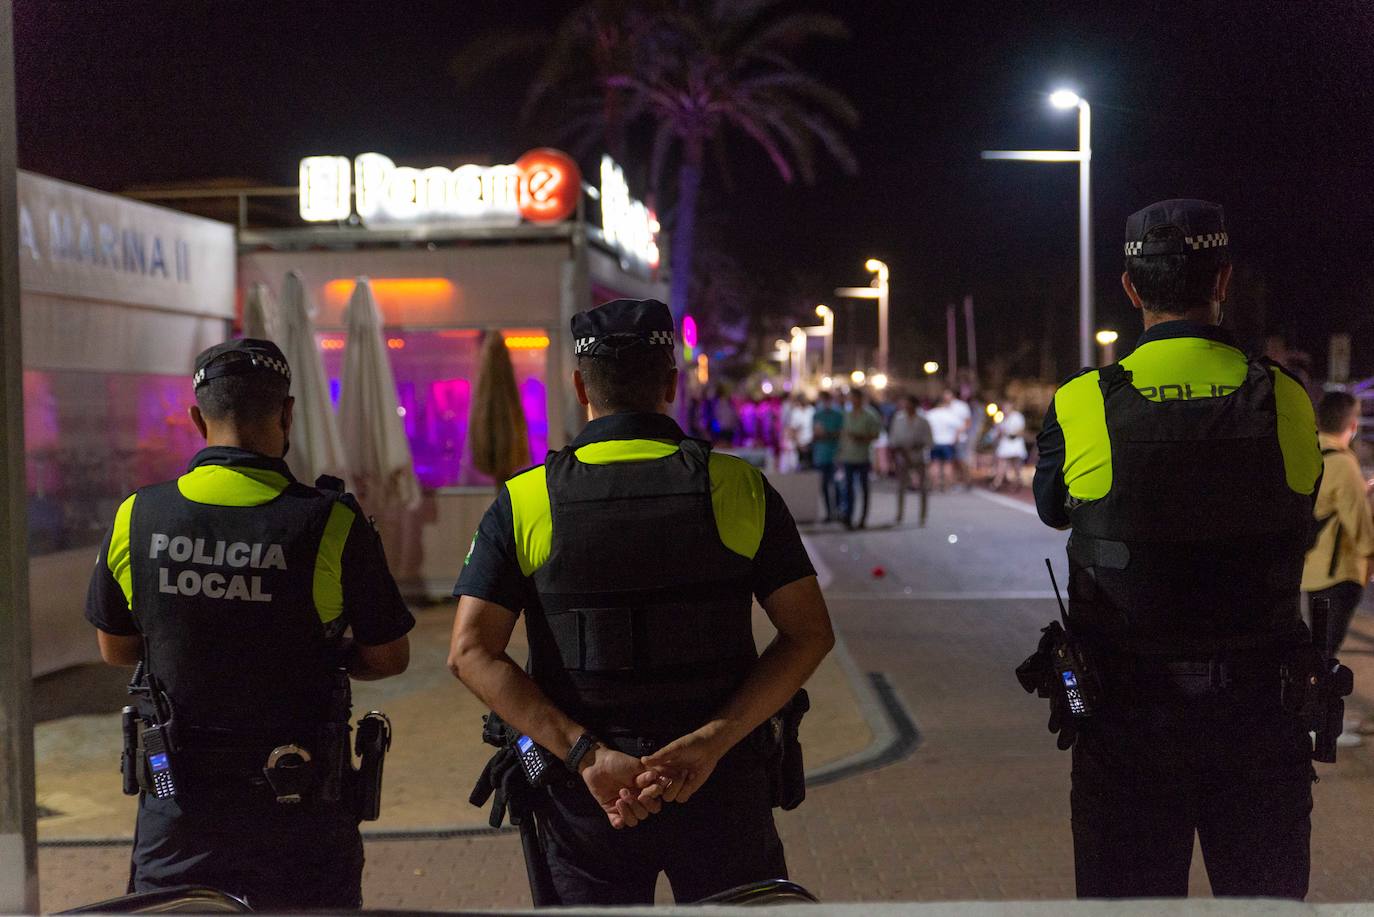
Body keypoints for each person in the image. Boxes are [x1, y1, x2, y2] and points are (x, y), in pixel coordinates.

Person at [449, 299, 834, 906]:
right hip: (719, 784)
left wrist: (586, 755)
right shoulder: (737, 485)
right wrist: (712, 740)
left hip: (586, 800)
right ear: (671, 385)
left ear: (579, 385)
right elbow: (809, 633)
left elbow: (470, 652)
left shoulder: (527, 499)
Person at [1027, 200, 1326, 899]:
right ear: (1222, 280)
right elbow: (1298, 503)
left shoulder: (1081, 400)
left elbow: (1051, 509)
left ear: (1131, 289)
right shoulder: (1284, 396)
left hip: (1125, 721)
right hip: (1258, 714)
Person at [84, 339, 415, 910]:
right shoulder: (332, 522)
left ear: (196, 418)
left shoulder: (137, 515)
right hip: (300, 805)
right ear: (287, 412)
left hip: (179, 806)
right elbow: (389, 657)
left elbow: (116, 648)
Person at [1303, 391, 1374, 746]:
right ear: (1352, 423)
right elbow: (1359, 527)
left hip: (1312, 570)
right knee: (1327, 657)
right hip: (1340, 573)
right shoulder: (1343, 463)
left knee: (1319, 649)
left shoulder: (1310, 453)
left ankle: (1317, 716)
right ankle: (1321, 723)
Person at [838, 389, 884, 529]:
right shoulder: (847, 414)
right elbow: (843, 435)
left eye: (853, 398)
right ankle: (848, 517)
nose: (851, 401)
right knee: (848, 489)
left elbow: (876, 435)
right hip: (848, 456)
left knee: (864, 489)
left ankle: (863, 518)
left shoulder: (870, 415)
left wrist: (861, 438)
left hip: (863, 456)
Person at [889, 394, 932, 526]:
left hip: (919, 457)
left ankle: (922, 517)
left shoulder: (923, 420)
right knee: (901, 487)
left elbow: (929, 441)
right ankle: (899, 515)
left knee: (923, 487)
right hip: (902, 457)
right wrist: (900, 451)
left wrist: (916, 447)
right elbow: (894, 438)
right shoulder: (899, 418)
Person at [811, 390, 845, 521]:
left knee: (836, 484)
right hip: (820, 455)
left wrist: (827, 434)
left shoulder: (838, 414)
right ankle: (828, 513)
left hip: (835, 454)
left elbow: (841, 433)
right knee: (824, 485)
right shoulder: (817, 415)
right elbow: (815, 434)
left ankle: (838, 510)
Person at [924, 390, 963, 490]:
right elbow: (959, 427)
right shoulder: (949, 414)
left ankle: (934, 484)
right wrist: (955, 439)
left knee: (934, 463)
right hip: (947, 442)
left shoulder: (930, 414)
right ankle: (946, 485)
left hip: (934, 442)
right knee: (948, 464)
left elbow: (926, 428)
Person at [991, 404, 1028, 491]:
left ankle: (1018, 482)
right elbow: (998, 432)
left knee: (1016, 466)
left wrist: (1010, 433)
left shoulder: (1017, 416)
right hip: (1006, 444)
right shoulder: (1001, 418)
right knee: (1002, 462)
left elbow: (1021, 431)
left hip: (1015, 443)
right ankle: (997, 482)